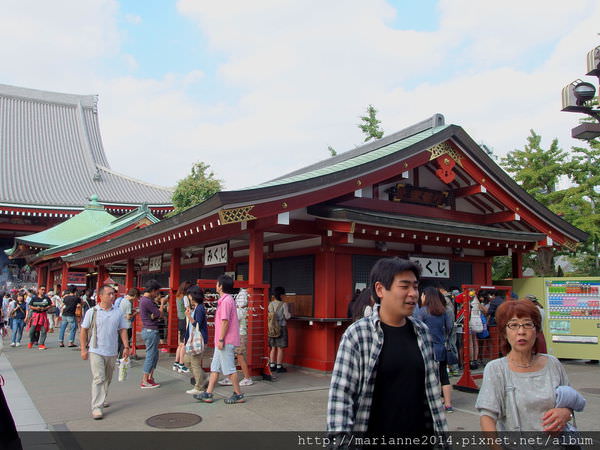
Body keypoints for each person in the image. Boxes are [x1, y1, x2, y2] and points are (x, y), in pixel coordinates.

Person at [327, 257, 448, 438]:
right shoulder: (358, 335)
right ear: (380, 289)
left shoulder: (422, 332)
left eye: (415, 286)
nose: (413, 293)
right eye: (404, 286)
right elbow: (341, 399)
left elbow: (431, 393)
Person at [476, 300, 578, 432]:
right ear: (504, 333)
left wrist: (566, 412)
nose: (521, 331)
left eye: (528, 324)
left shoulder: (553, 364)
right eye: (513, 325)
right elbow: (487, 417)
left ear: (537, 331)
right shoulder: (496, 369)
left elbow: (570, 402)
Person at [80, 284, 130, 420]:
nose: (112, 296)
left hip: (112, 350)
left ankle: (102, 398)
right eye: (109, 294)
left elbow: (123, 329)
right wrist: (83, 348)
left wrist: (126, 346)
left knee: (107, 378)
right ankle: (96, 407)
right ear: (100, 296)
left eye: (113, 294)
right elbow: (84, 330)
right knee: (99, 378)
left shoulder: (118, 312)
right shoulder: (92, 312)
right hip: (96, 349)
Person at [194, 274, 245, 404]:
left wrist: (221, 339)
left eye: (217, 284)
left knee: (229, 369)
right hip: (222, 340)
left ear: (221, 286)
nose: (215, 285)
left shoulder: (226, 301)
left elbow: (225, 322)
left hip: (225, 340)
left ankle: (238, 394)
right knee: (215, 367)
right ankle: (208, 393)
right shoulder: (226, 300)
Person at [415, 286, 454, 413]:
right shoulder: (444, 311)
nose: (421, 297)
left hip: (427, 349)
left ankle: (432, 402)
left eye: (422, 295)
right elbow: (449, 328)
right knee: (444, 376)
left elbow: (417, 329)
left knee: (427, 377)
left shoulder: (422, 311)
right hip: (441, 348)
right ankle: (448, 404)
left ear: (426, 296)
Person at [219, 288, 254, 386]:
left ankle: (247, 377)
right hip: (236, 333)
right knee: (232, 356)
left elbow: (236, 317)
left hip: (240, 333)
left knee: (240, 356)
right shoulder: (239, 306)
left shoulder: (241, 309)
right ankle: (230, 377)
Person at [139, 280, 166, 388]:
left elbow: (153, 315)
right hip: (151, 330)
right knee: (151, 355)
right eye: (156, 292)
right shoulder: (147, 301)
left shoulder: (144, 300)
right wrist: (162, 303)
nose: (157, 295)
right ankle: (145, 380)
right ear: (153, 290)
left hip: (148, 329)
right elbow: (158, 314)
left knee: (154, 355)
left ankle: (150, 378)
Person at [184, 285, 209, 395]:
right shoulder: (198, 307)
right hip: (194, 339)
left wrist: (189, 316)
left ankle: (199, 387)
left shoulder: (199, 308)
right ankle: (204, 378)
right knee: (188, 361)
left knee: (194, 363)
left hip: (198, 339)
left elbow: (197, 324)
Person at [268, 286, 291, 373]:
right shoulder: (284, 304)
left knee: (273, 347)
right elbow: (287, 316)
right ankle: (279, 366)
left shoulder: (270, 304)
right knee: (280, 348)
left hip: (272, 328)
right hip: (281, 328)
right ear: (281, 295)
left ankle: (272, 365)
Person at [173, 281, 192, 373]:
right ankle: (181, 364)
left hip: (180, 320)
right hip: (185, 320)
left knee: (180, 344)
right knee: (184, 343)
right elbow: (187, 309)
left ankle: (176, 363)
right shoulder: (185, 297)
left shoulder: (178, 296)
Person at [118, 288, 138, 359]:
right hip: (127, 325)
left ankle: (118, 358)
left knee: (120, 342)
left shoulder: (123, 300)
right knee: (126, 343)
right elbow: (128, 317)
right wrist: (136, 313)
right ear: (134, 295)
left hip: (121, 324)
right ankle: (123, 358)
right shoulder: (128, 303)